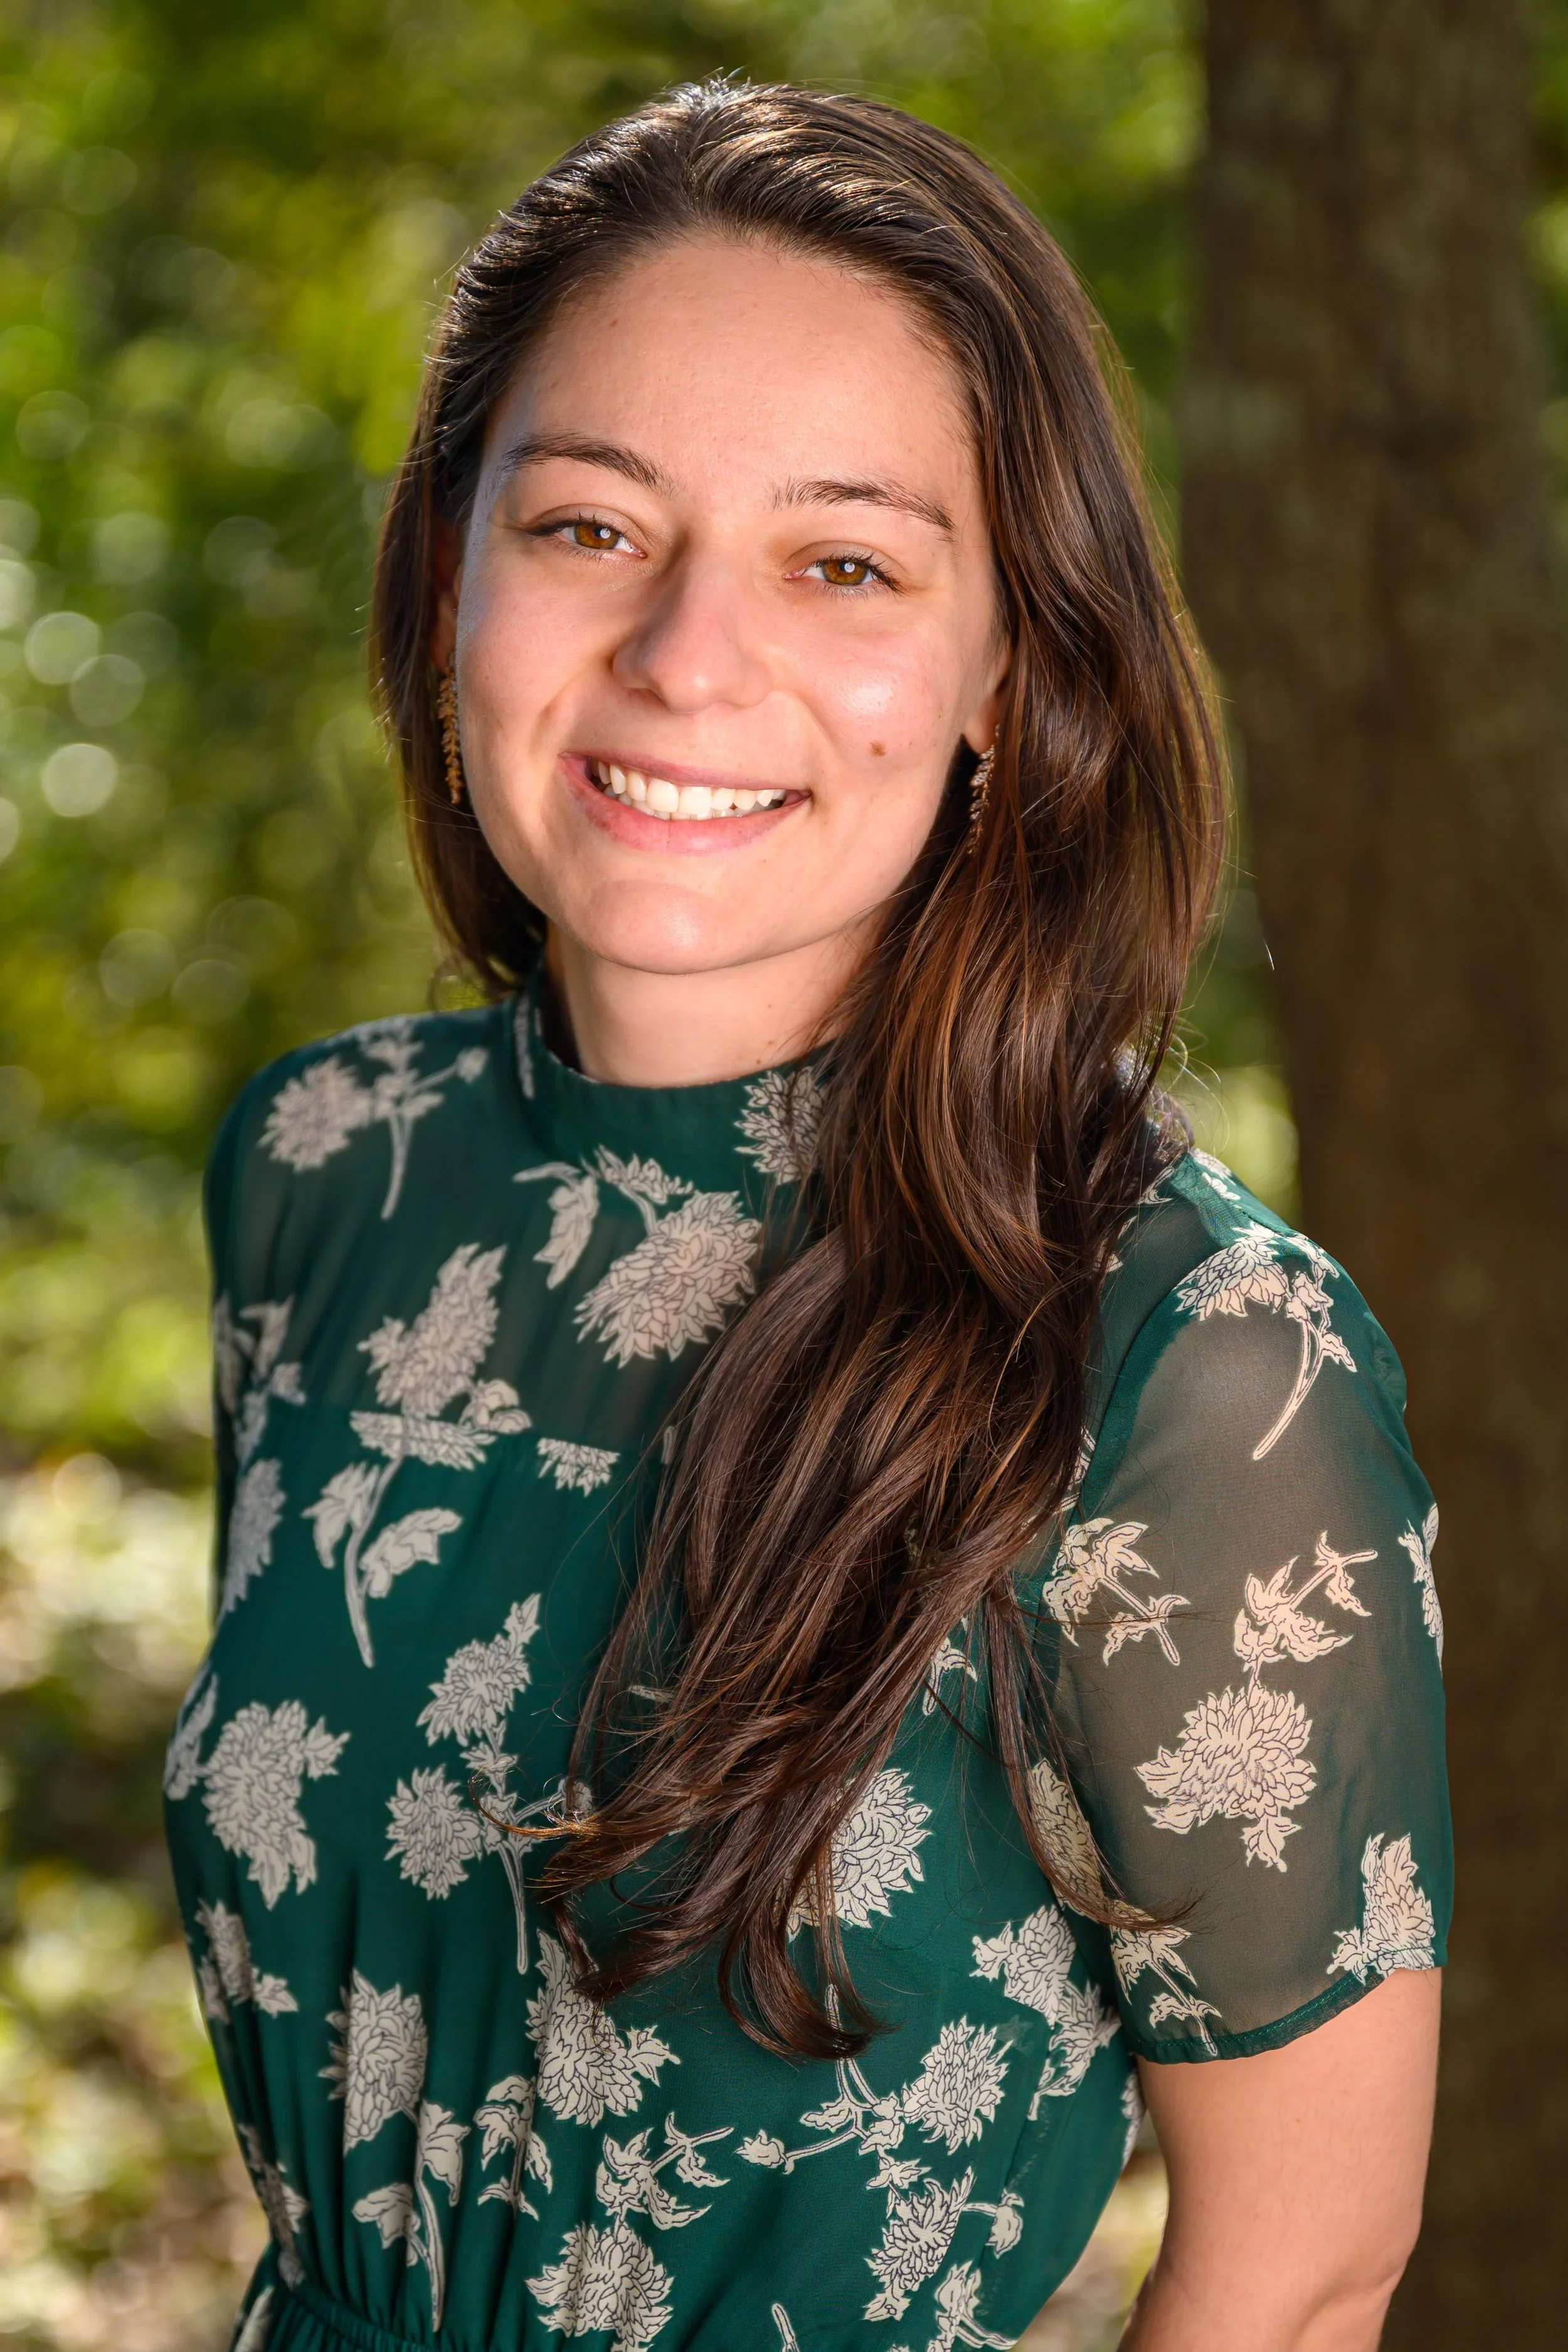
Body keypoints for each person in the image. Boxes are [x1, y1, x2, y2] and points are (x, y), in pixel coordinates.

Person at [164, 78, 1449, 2352]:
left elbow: (1301, 2269)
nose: (682, 656)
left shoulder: (1195, 1357)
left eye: (843, 561)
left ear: (1006, 672)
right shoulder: (325, 1172)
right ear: (449, 561)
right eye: (587, 526)